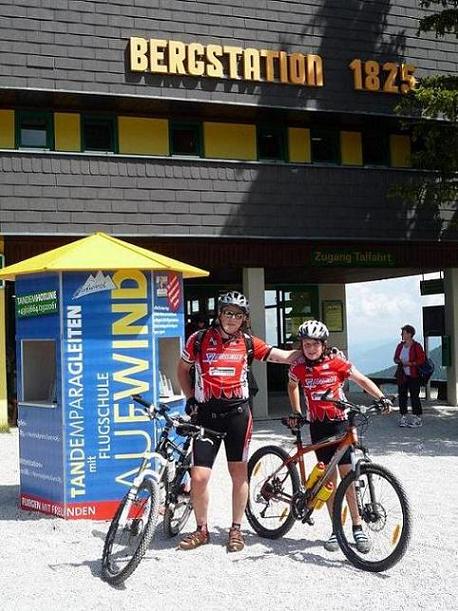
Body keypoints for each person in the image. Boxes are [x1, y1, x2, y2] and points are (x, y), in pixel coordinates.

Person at [176, 291, 301, 553]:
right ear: (219, 314)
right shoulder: (198, 340)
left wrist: (312, 350)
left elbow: (280, 356)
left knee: (238, 474)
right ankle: (201, 530)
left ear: (244, 319)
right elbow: (182, 369)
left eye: (238, 315)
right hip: (206, 416)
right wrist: (190, 398)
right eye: (228, 313)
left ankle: (236, 529)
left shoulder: (247, 342)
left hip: (238, 416)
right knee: (199, 477)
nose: (232, 318)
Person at [287, 320, 392, 554]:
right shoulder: (298, 367)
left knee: (349, 477)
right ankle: (336, 527)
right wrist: (296, 411)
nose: (310, 349)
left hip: (340, 424)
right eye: (306, 344)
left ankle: (357, 526)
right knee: (329, 481)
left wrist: (381, 397)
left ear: (323, 344)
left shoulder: (337, 362)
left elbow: (361, 379)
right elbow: (292, 385)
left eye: (315, 344)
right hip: (318, 426)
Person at [393, 324, 426, 428]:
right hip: (402, 375)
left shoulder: (416, 346)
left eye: (403, 333)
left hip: (414, 375)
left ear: (410, 334)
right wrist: (399, 361)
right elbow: (395, 358)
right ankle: (403, 417)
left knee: (414, 396)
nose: (402, 335)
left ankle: (417, 418)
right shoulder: (400, 346)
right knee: (402, 396)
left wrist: (411, 364)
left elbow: (422, 359)